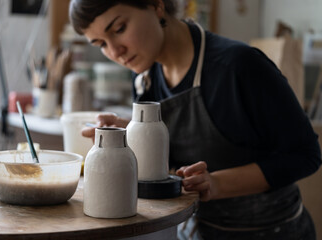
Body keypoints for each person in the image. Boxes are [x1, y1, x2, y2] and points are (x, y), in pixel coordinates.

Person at [69, 0, 322, 239]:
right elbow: (171, 163)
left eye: (119, 29)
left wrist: (217, 183)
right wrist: (134, 131)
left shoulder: (238, 67)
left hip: (272, 231)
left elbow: (306, 155)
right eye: (101, 44)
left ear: (156, 5)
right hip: (196, 230)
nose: (115, 51)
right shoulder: (147, 82)